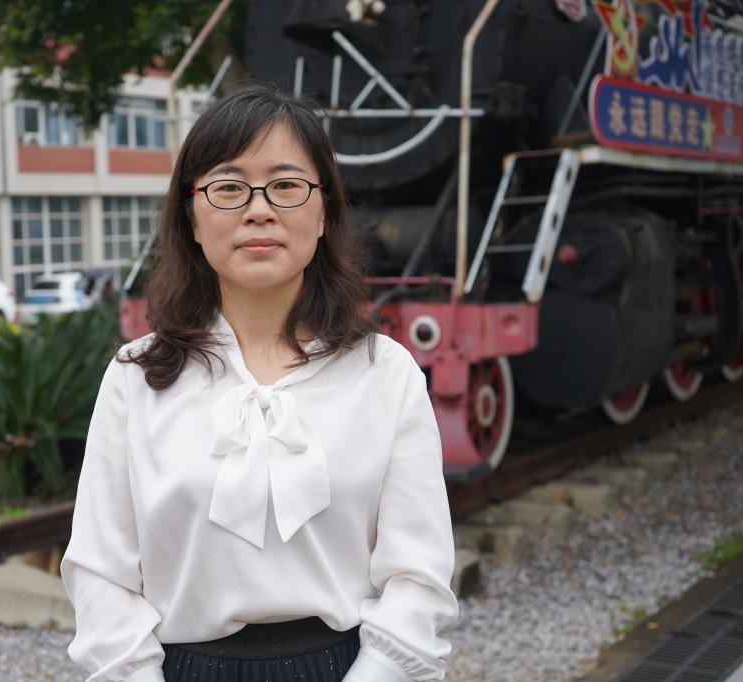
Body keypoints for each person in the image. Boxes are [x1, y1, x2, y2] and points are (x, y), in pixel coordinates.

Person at [61, 82, 458, 682]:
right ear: (192, 218)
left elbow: (419, 575)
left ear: (323, 212)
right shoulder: (136, 377)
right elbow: (100, 573)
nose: (259, 209)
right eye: (228, 188)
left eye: (286, 185)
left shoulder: (385, 372)